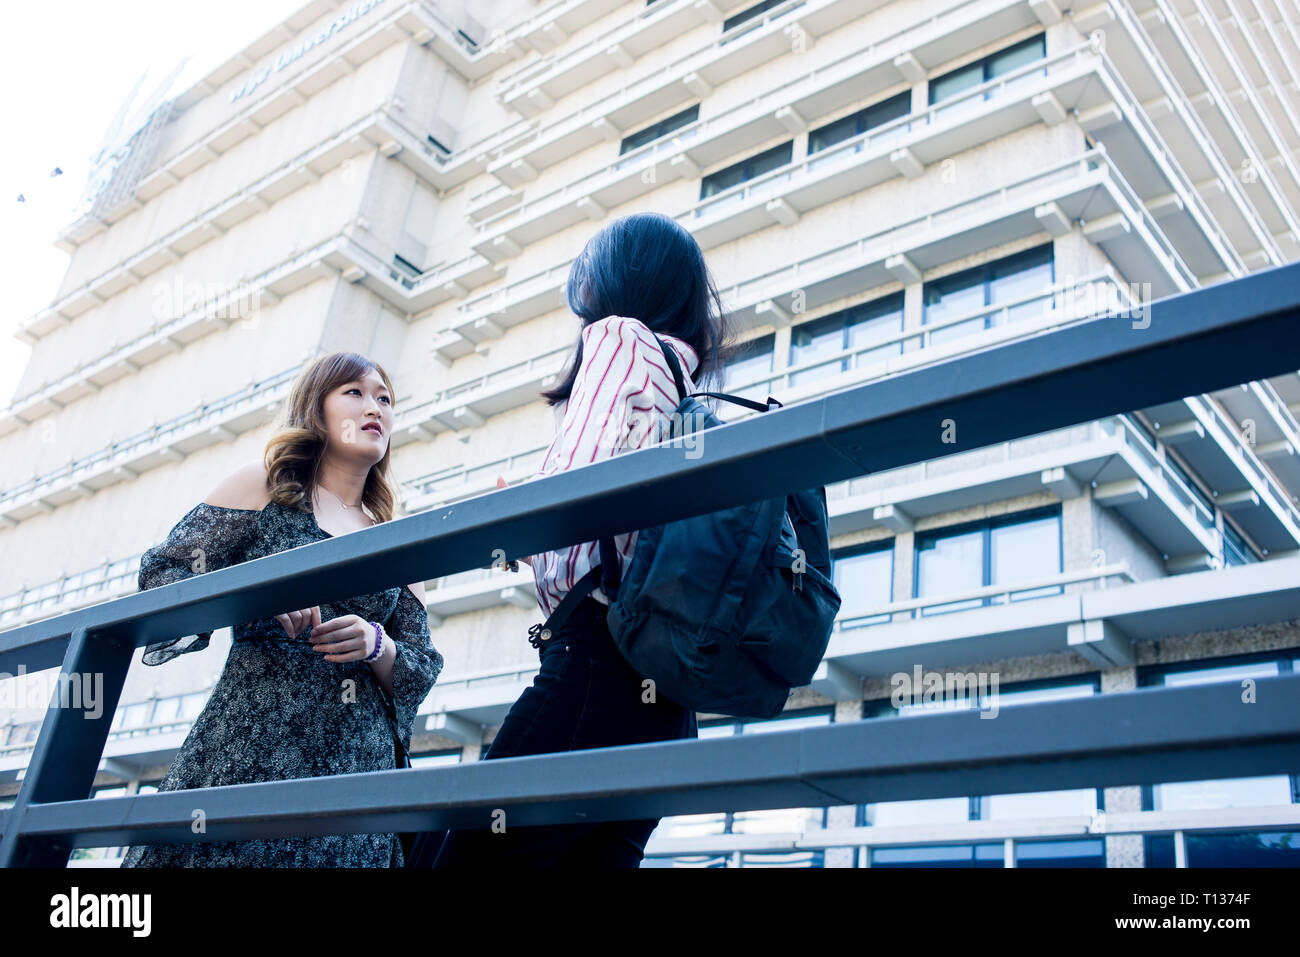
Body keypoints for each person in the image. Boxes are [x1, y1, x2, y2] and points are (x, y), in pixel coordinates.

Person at [419, 211, 738, 868]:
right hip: (666, 704)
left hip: (598, 664)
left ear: (618, 278)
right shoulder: (681, 383)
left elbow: (577, 487)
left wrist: (521, 516)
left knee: (453, 852)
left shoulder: (619, 340)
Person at [121, 351, 443, 867]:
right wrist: (260, 595)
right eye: (355, 392)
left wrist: (376, 642)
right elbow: (166, 573)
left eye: (385, 399)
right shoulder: (264, 485)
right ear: (316, 406)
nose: (375, 407)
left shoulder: (397, 539)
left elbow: (421, 666)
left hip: (354, 768)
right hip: (252, 742)